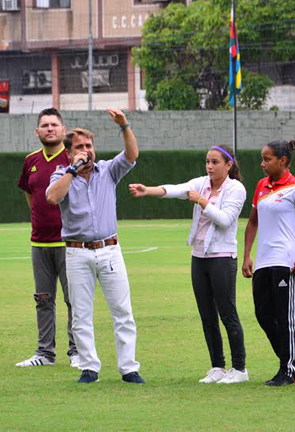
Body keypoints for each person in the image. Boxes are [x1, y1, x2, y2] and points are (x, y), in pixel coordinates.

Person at [128, 145, 248, 384]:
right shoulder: (202, 182)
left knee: (227, 313)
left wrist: (202, 201)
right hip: (199, 256)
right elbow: (176, 189)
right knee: (207, 314)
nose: (210, 167)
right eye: (207, 162)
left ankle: (240, 369)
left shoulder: (236, 189)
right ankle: (217, 366)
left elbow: (225, 220)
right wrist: (147, 190)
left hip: (222, 257)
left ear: (228, 165)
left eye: (215, 162)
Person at [45, 108, 144, 384]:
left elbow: (132, 156)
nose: (86, 150)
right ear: (70, 151)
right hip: (77, 252)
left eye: (89, 146)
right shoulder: (61, 175)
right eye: (79, 147)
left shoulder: (108, 171)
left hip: (109, 249)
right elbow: (52, 197)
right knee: (81, 314)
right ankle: (89, 367)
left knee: (123, 312)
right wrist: (72, 169)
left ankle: (129, 368)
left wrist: (124, 126)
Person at [242, 139, 295, 386]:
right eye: (262, 159)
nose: (262, 164)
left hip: (287, 262)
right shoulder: (261, 186)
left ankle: (286, 369)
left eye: (267, 159)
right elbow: (252, 222)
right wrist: (246, 255)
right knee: (263, 314)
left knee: (285, 318)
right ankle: (292, 366)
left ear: (283, 161)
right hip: (264, 263)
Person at [16, 107, 78, 368]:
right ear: (37, 131)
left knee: (74, 300)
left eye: (54, 124)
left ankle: (77, 352)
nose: (49, 128)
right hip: (39, 243)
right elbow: (30, 195)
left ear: (63, 130)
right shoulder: (30, 160)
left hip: (69, 242)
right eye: (45, 125)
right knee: (43, 299)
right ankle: (45, 354)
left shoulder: (74, 159)